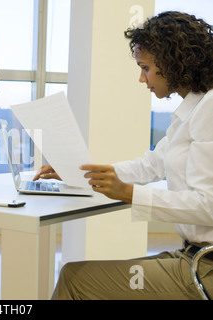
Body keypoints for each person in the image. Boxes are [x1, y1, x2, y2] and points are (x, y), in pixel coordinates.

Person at [34, 11, 213, 299]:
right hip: (192, 257)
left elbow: (208, 205)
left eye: (145, 68)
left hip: (203, 270)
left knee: (75, 279)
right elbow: (152, 165)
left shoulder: (209, 108)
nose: (142, 79)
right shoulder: (194, 108)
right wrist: (78, 171)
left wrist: (130, 194)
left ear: (171, 63)